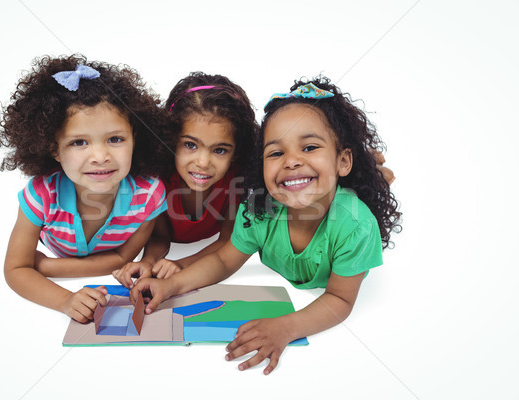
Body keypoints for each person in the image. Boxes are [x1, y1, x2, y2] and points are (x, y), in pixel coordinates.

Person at [130, 77, 402, 375]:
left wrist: (287, 326)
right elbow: (222, 260)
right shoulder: (260, 209)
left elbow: (339, 298)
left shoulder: (355, 225)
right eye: (276, 153)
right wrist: (170, 286)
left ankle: (375, 171)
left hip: (346, 200)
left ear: (342, 160)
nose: (292, 161)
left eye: (309, 147)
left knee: (367, 186)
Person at [0, 55, 170, 322]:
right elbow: (16, 268)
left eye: (115, 139)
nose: (100, 156)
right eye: (79, 142)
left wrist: (46, 266)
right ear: (54, 148)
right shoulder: (41, 195)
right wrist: (66, 300)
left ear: (135, 138)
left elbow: (122, 257)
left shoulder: (148, 194)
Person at [113, 72, 258, 286]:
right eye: (190, 145)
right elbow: (159, 236)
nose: (202, 162)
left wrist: (181, 264)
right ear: (171, 140)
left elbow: (227, 240)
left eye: (219, 150)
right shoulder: (158, 176)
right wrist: (149, 261)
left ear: (236, 152)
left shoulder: (236, 178)